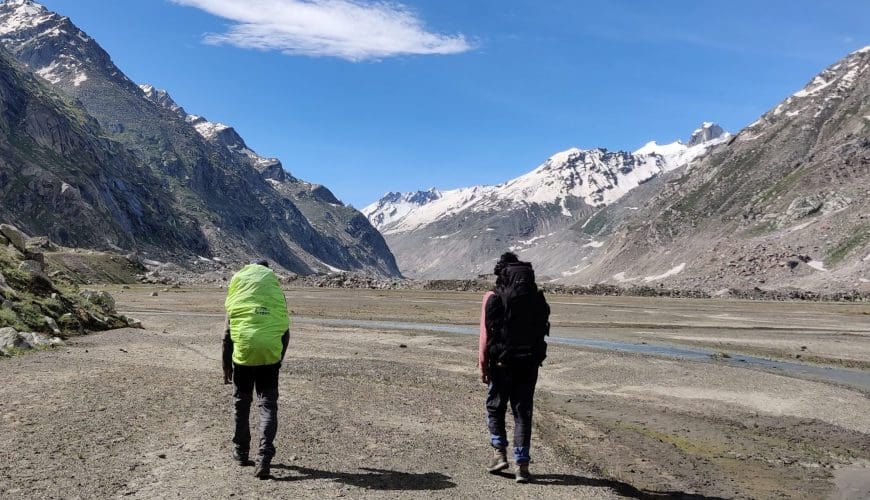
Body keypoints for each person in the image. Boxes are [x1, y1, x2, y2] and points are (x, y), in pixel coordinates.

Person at [479, 252, 550, 483]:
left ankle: (499, 454)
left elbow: (485, 335)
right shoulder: (536, 297)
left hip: (501, 363)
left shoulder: (493, 296)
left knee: (495, 407)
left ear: (500, 273)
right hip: (529, 362)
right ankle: (522, 466)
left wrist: (483, 366)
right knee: (522, 413)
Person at [223, 260, 290, 479]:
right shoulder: (274, 295)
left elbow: (227, 336)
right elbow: (284, 331)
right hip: (269, 353)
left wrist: (226, 367)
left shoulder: (239, 296)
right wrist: (278, 358)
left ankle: (241, 452)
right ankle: (264, 456)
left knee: (242, 403)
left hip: (243, 355)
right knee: (268, 404)